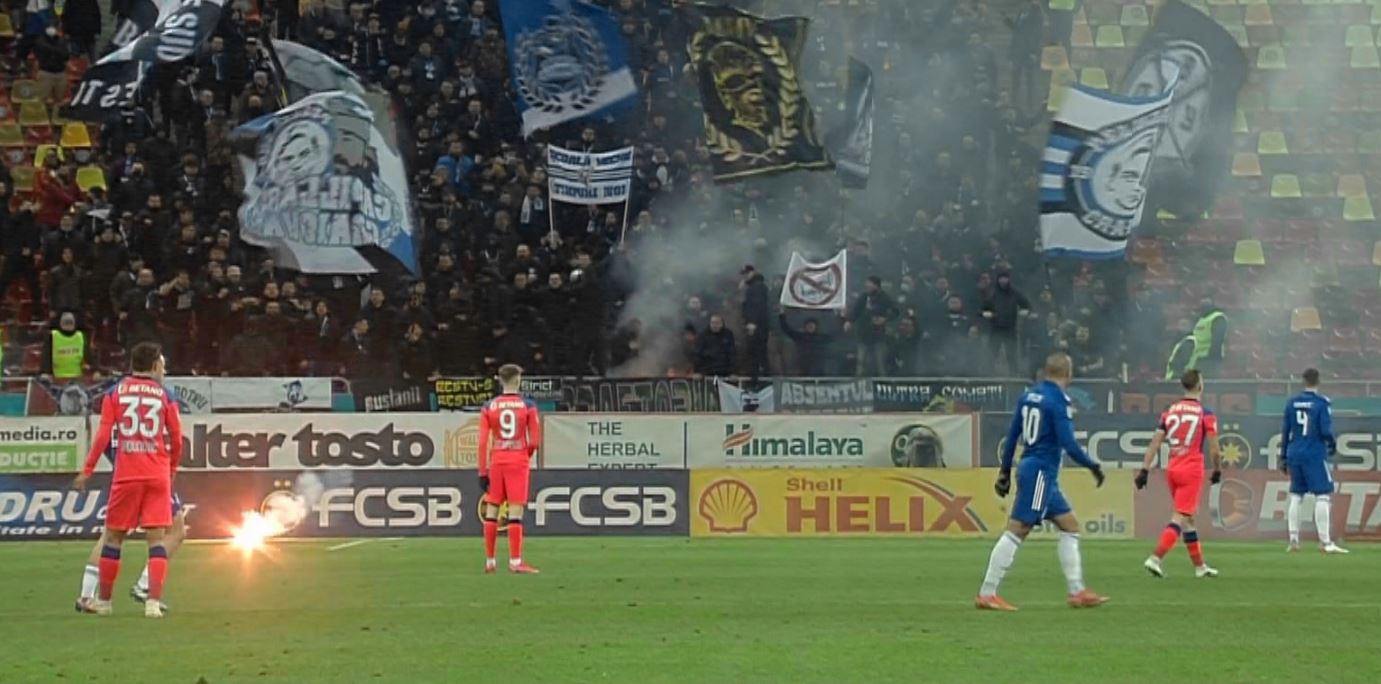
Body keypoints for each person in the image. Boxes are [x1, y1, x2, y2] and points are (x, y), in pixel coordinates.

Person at [977, 352, 1108, 611]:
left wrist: (1004, 472)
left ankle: (1077, 591)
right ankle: (987, 593)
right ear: (1068, 374)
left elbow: (1013, 435)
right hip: (1041, 473)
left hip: (1035, 470)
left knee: (1069, 525)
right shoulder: (1058, 401)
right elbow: (1068, 443)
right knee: (1019, 528)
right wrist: (1091, 465)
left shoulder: (1028, 397)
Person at [71, 343, 184, 618]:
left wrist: (87, 469)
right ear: (156, 365)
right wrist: (171, 469)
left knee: (113, 536)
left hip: (127, 471)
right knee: (159, 537)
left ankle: (103, 601)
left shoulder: (115, 392)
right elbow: (177, 438)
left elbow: (102, 435)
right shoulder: (164, 395)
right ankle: (151, 601)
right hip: (156, 472)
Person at [1134, 369, 1222, 578]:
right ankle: (1156, 558)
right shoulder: (1205, 412)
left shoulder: (1170, 411)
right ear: (1200, 385)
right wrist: (1218, 469)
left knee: (1188, 518)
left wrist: (1144, 470)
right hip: (1191, 469)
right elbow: (1215, 448)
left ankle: (1200, 567)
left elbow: (1155, 442)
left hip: (1173, 468)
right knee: (1180, 516)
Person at [478, 364, 541, 574]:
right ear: (517, 379)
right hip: (518, 461)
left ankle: (490, 561)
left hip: (496, 461)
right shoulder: (528, 405)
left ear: (500, 380)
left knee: (492, 509)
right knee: (515, 511)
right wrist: (525, 454)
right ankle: (515, 562)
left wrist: (482, 471)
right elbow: (536, 440)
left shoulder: (489, 406)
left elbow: (482, 442)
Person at [1281, 368, 1348, 554]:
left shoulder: (1291, 403)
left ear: (1303, 381)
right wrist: (1332, 443)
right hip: (1314, 453)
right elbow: (1325, 430)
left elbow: (1285, 431)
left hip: (1294, 452)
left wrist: (1283, 456)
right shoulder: (1322, 403)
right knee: (1323, 495)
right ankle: (1325, 542)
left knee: (1296, 495)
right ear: (1318, 381)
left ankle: (1293, 540)